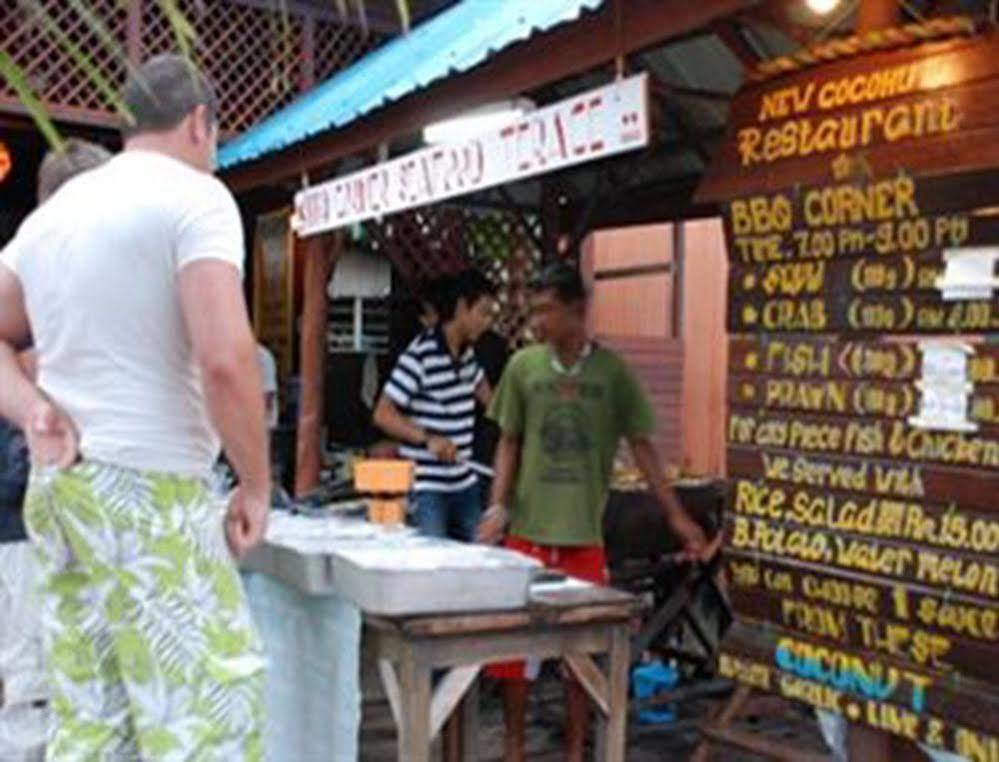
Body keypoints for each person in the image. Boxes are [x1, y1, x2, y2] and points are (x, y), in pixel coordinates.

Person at [0, 54, 269, 760]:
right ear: (199, 124)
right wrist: (256, 483)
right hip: (149, 489)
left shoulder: (52, 217)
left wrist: (31, 408)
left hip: (61, 490)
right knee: (208, 716)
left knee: (94, 715)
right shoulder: (195, 196)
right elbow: (225, 358)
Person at [478, 262, 709, 762]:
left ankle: (575, 751)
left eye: (546, 310)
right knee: (513, 661)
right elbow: (509, 442)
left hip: (584, 539)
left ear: (577, 310)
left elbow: (644, 448)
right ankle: (514, 748)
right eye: (534, 311)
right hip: (526, 536)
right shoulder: (523, 368)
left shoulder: (612, 373)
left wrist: (675, 516)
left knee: (579, 660)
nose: (537, 321)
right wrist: (497, 505)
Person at [0, 139, 112, 762]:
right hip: (24, 520)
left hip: (53, 518)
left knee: (53, 688)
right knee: (34, 690)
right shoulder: (32, 281)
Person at [374, 269, 495, 541]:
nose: (487, 323)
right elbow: (383, 414)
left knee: (480, 561)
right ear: (463, 307)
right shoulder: (420, 354)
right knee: (430, 566)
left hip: (465, 482)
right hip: (427, 486)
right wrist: (428, 439)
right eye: (483, 312)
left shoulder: (468, 356)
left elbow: (494, 404)